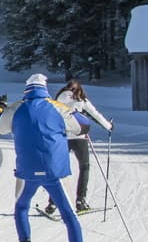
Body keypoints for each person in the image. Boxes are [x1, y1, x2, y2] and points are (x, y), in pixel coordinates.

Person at [0, 73, 102, 242]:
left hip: (26, 171)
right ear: (44, 88)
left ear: (27, 89)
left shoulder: (16, 108)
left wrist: (0, 108)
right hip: (55, 171)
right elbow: (83, 125)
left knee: (22, 206)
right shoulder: (56, 107)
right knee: (68, 213)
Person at [44, 79, 113, 215]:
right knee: (84, 167)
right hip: (79, 137)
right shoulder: (80, 99)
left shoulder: (59, 98)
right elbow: (95, 114)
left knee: (58, 169)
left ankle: (53, 203)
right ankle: (80, 201)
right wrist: (109, 126)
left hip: (62, 138)